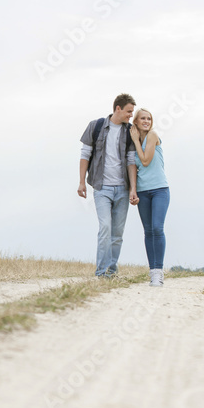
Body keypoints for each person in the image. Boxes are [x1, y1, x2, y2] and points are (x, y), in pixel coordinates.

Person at [78, 94, 138, 277]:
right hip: (101, 188)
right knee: (105, 228)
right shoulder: (95, 126)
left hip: (122, 189)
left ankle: (111, 271)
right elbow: (85, 154)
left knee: (117, 234)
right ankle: (101, 272)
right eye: (129, 111)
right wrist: (81, 182)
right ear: (118, 109)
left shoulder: (130, 131)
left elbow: (130, 161)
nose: (131, 115)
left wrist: (133, 189)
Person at [129, 108, 170, 286]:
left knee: (157, 228)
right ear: (135, 122)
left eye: (149, 118)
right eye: (142, 118)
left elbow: (145, 160)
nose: (146, 121)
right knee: (148, 231)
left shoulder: (152, 136)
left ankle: (159, 271)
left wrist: (137, 142)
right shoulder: (132, 143)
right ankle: (153, 272)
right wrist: (133, 190)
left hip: (160, 189)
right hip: (143, 191)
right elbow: (133, 168)